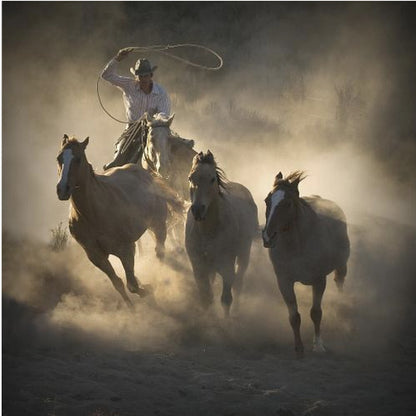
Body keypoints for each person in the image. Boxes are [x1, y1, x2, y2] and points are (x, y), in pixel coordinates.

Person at [101, 47, 171, 169]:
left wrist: (152, 121)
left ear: (151, 75)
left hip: (154, 128)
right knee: (119, 159)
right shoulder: (129, 85)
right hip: (132, 130)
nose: (143, 79)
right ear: (136, 76)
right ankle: (113, 168)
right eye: (140, 76)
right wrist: (117, 59)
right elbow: (106, 75)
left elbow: (163, 114)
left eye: (146, 76)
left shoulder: (161, 92)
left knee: (172, 148)